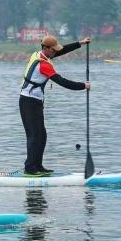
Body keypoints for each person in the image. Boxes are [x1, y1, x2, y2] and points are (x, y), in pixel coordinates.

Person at [19, 35, 91, 176]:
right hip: (28, 102)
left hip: (36, 101)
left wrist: (80, 43)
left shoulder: (39, 54)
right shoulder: (43, 65)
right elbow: (63, 82)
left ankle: (38, 166)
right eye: (53, 50)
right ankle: (29, 168)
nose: (55, 53)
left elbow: (61, 51)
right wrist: (84, 86)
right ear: (45, 48)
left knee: (42, 135)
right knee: (34, 136)